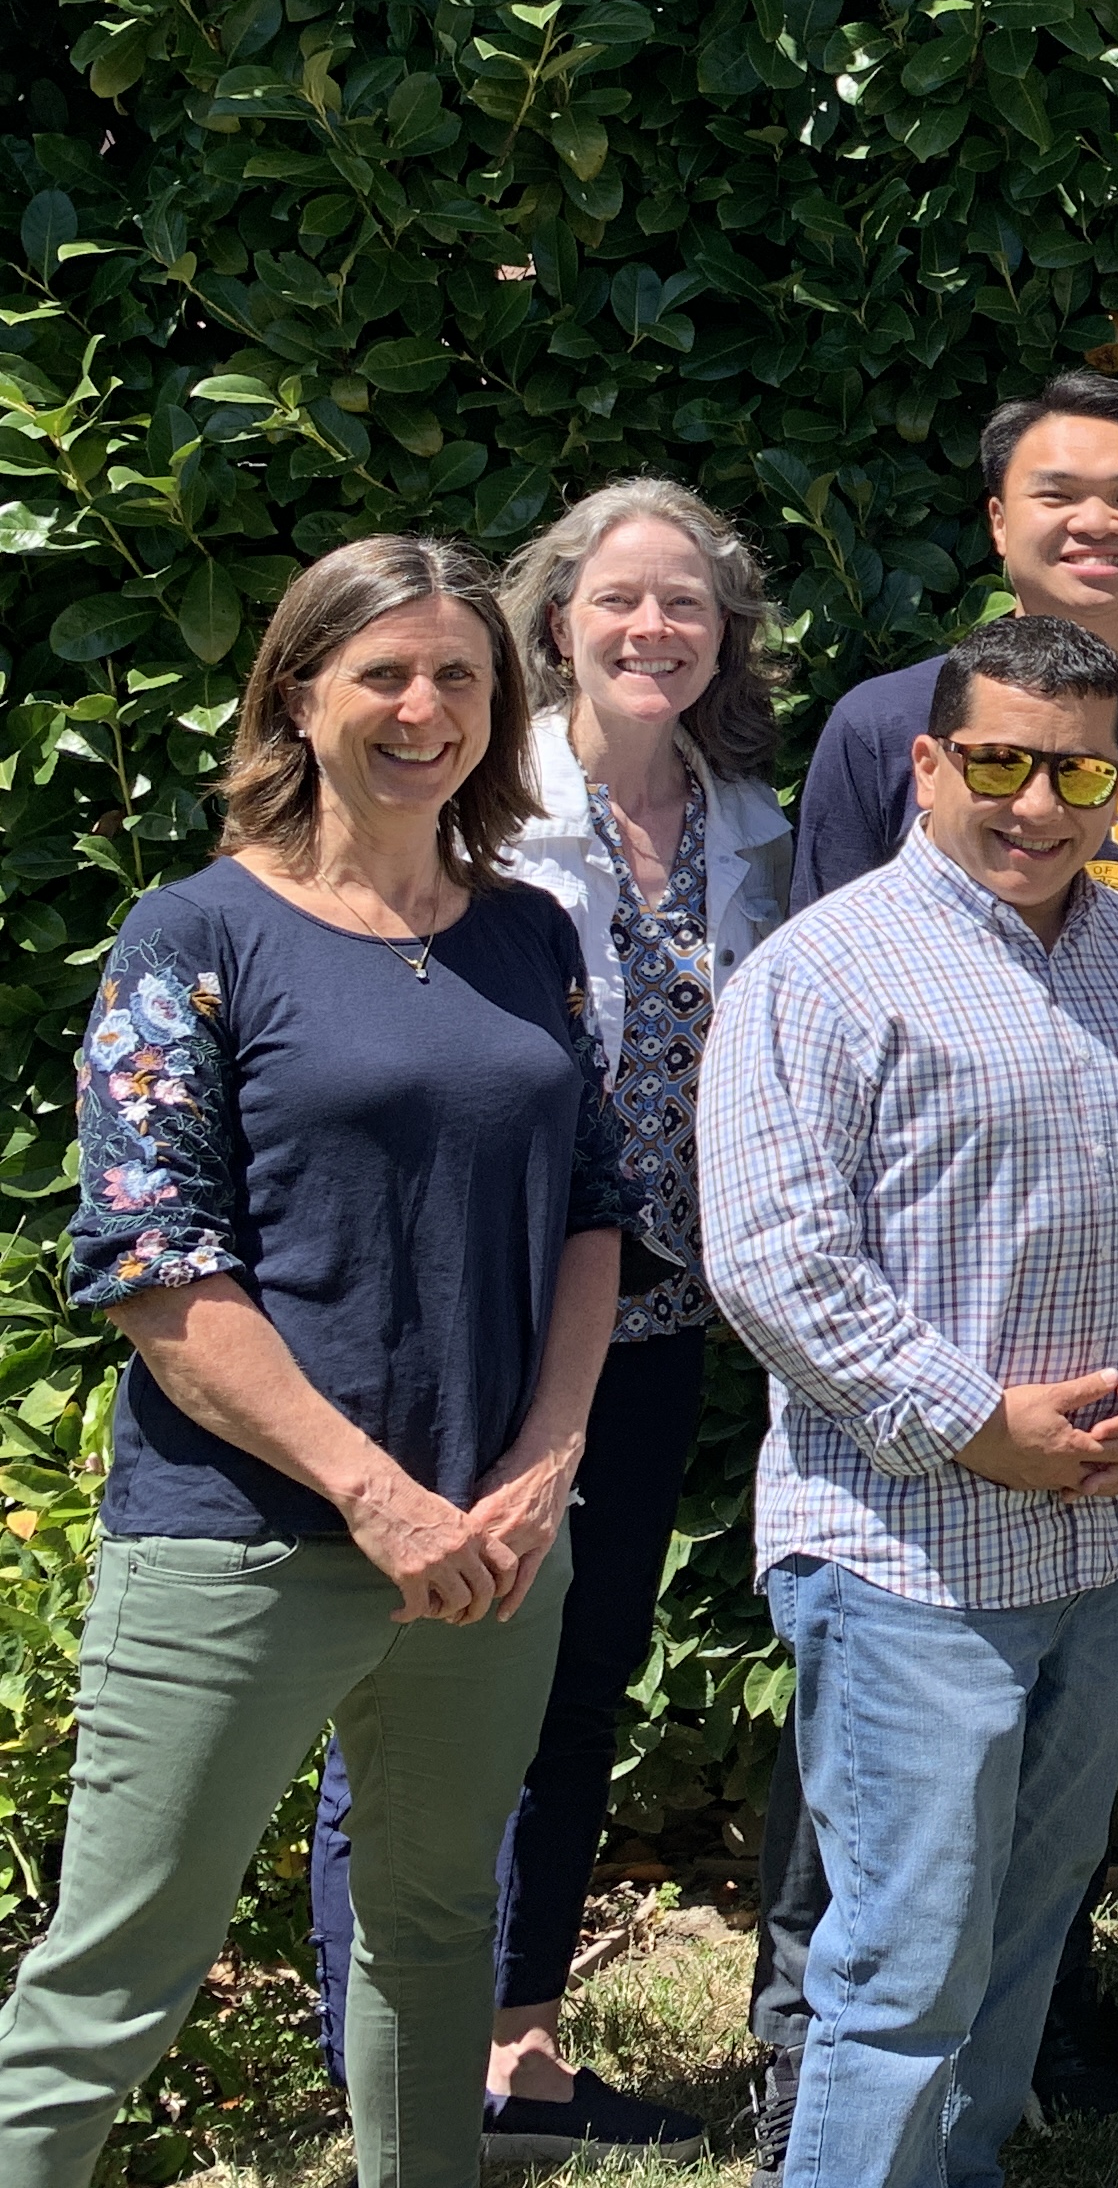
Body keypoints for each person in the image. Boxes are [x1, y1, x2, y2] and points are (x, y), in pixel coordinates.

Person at [0, 538, 629, 2188]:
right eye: (384, 674)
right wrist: (375, 1494)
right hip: (244, 1544)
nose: (425, 708)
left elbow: (595, 1205)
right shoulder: (192, 933)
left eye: (460, 677)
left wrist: (544, 1459)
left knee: (434, 1933)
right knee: (112, 1977)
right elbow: (151, 1264)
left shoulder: (531, 932)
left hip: (493, 1545)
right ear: (298, 693)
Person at [754, 368, 1118, 2148]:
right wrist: (981, 1423)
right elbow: (778, 1260)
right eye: (1001, 766)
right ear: (929, 761)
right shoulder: (825, 968)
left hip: (1093, 1539)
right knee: (897, 1970)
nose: (1038, 802)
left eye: (1079, 774)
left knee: (1023, 1946)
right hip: (905, 1544)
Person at [298, 482, 793, 2160]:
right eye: (620, 597)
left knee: (576, 1679)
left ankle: (517, 2040)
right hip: (478, 1297)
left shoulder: (753, 825)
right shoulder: (484, 805)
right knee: (419, 1673)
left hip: (649, 1315)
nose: (654, 626)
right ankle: (383, 2061)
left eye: (687, 602)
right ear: (557, 619)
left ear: (724, 634)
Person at [787, 369, 1118, 916]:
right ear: (999, 522)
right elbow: (826, 940)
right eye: (1057, 495)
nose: (1096, 521)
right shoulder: (881, 724)